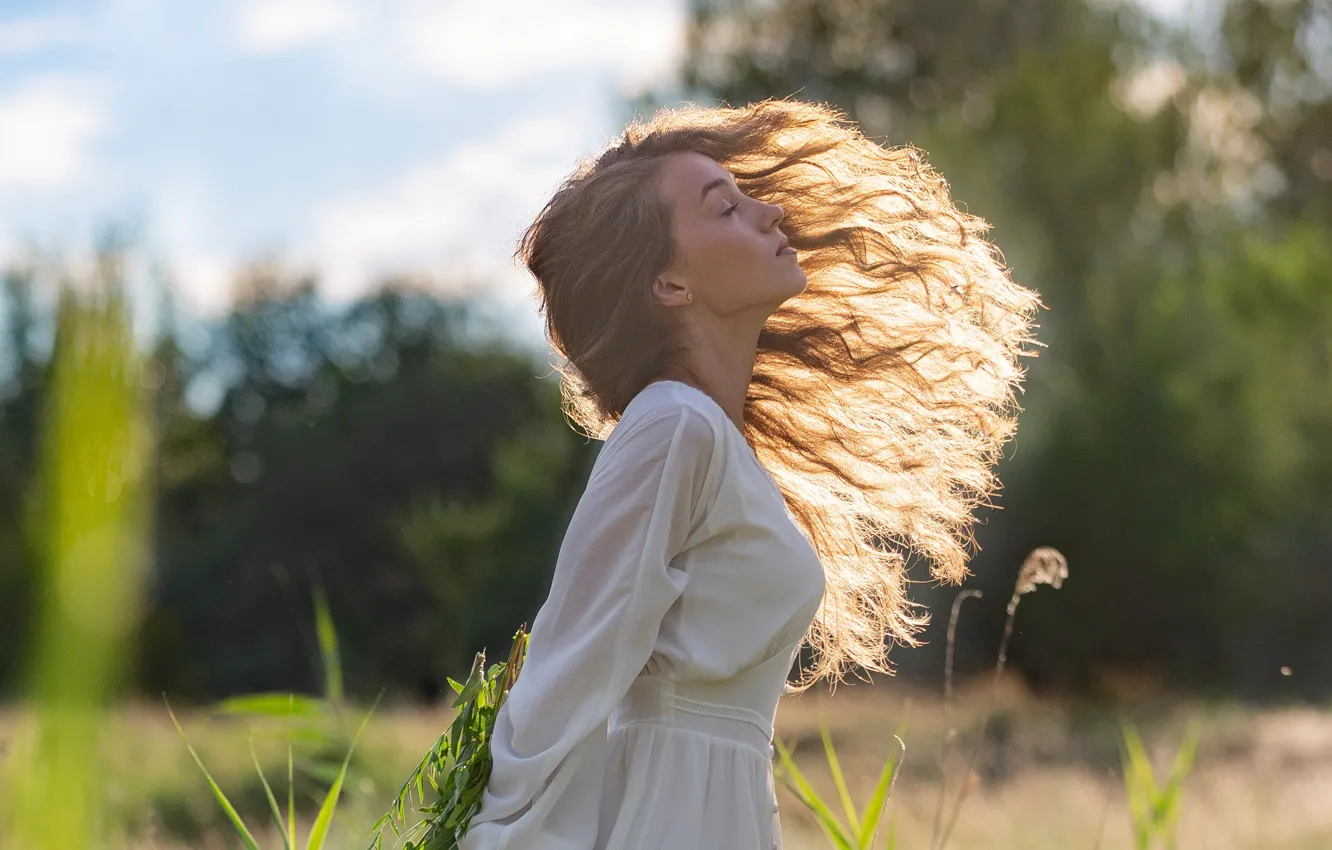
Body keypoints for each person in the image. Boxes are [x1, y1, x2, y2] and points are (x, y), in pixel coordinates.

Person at [458, 98, 1042, 850]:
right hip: (668, 818)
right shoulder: (674, 424)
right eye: (726, 208)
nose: (771, 213)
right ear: (670, 285)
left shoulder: (716, 441)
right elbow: (571, 663)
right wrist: (494, 832)